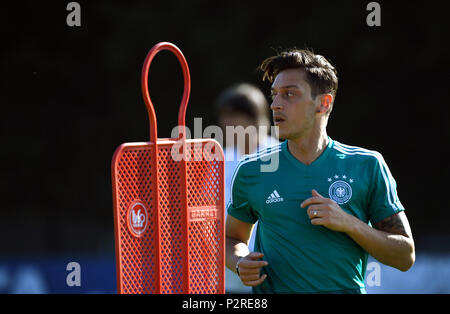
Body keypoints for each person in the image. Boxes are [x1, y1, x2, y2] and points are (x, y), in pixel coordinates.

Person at [225, 48, 415, 293]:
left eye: (289, 94)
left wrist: (349, 223)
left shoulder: (367, 165)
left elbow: (404, 256)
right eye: (274, 95)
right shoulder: (252, 170)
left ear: (323, 103)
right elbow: (232, 239)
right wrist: (240, 262)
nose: (275, 105)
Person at [214, 83, 279, 293]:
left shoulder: (280, 156)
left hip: (272, 272)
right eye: (224, 117)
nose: (225, 123)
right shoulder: (220, 159)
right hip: (227, 273)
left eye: (233, 117)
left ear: (254, 118)